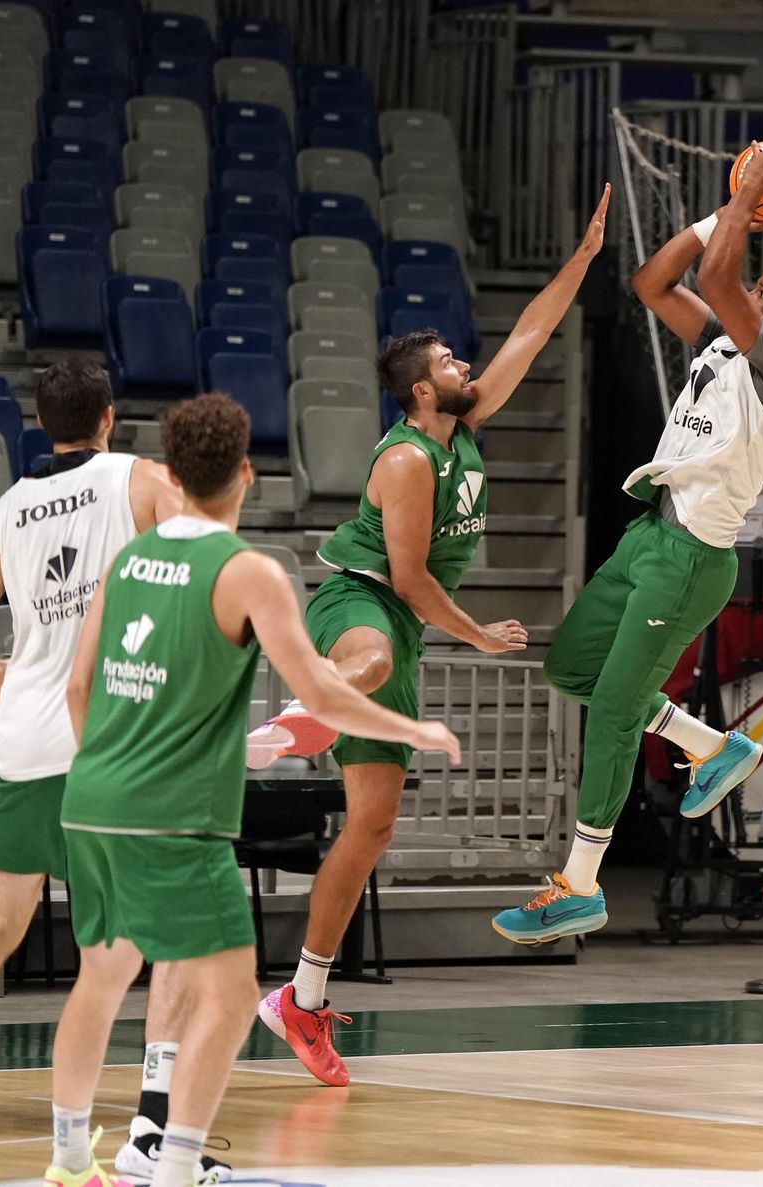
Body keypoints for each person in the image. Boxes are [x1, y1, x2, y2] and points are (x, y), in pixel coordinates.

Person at [46, 394, 460, 1187]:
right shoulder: (248, 571)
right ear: (245, 473)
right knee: (234, 997)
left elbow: (78, 685)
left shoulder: (126, 562)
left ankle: (72, 1161)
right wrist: (414, 731)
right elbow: (322, 693)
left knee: (100, 979)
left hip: (92, 798)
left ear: (169, 474)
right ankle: (169, 1164)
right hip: (174, 817)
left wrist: (112, 760)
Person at [252, 186, 612, 1088]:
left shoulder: (466, 423)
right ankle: (312, 705)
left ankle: (301, 996)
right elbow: (407, 581)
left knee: (370, 827)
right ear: (423, 389)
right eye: (450, 359)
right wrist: (481, 634)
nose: (465, 362)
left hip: (401, 633)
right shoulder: (409, 457)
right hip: (358, 601)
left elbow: (530, 331)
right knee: (368, 654)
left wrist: (580, 260)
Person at [490, 139, 763, 945]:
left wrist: (749, 197)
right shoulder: (722, 335)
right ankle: (713, 745)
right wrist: (728, 206)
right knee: (571, 666)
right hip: (649, 532)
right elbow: (653, 282)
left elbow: (717, 278)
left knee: (611, 710)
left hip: (690, 559)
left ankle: (578, 885)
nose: (748, 287)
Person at [0, 360, 222, 1181]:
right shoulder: (141, 479)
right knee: (162, 939)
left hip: (24, 746)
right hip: (112, 743)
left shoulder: (6, 509)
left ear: (40, 425)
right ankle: (152, 1127)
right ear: (111, 416)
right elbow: (201, 562)